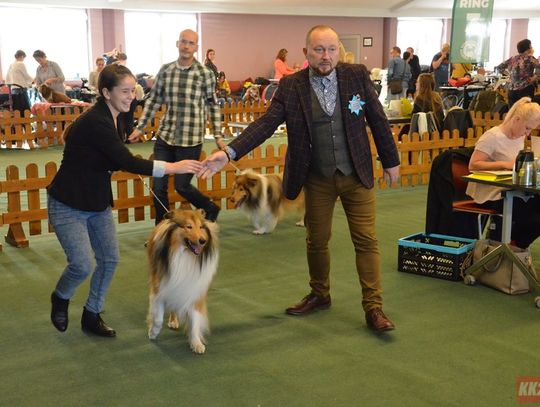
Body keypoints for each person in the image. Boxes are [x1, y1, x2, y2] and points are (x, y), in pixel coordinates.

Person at [201, 24, 400, 333]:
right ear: (306, 53)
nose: (326, 56)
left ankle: (373, 307)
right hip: (316, 178)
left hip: (356, 174)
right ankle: (320, 294)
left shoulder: (357, 75)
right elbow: (266, 124)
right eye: (319, 50)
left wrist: (391, 160)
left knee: (366, 240)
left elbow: (377, 117)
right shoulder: (292, 85)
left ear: (339, 51)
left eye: (331, 49)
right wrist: (229, 153)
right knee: (316, 241)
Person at [48, 64, 202, 337]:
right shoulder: (97, 121)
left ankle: (92, 315)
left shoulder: (118, 115)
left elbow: (111, 157)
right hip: (68, 202)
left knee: (109, 260)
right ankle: (60, 297)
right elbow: (127, 161)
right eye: (125, 91)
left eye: (133, 90)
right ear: (106, 92)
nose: (131, 96)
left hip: (96, 201)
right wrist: (175, 167)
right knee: (82, 264)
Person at [128, 29, 223, 224]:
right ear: (177, 43)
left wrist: (218, 135)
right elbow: (153, 100)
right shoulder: (166, 70)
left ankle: (210, 207)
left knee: (182, 186)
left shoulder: (205, 74)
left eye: (191, 43)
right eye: (183, 42)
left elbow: (212, 105)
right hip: (166, 138)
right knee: (158, 187)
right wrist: (140, 127)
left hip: (191, 140)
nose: (186, 46)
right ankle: (161, 229)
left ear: (196, 48)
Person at [466, 97, 540, 248]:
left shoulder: (517, 137)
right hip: (490, 192)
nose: (527, 134)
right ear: (516, 120)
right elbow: (473, 165)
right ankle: (514, 243)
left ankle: (516, 243)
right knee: (529, 212)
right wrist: (505, 164)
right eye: (527, 128)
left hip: (511, 189)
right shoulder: (492, 136)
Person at [497, 39, 540, 108]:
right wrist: (533, 78)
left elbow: (499, 68)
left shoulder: (513, 58)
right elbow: (539, 68)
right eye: (531, 47)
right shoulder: (531, 58)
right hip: (525, 89)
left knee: (513, 111)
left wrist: (509, 74)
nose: (532, 49)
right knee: (525, 111)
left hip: (512, 89)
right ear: (528, 49)